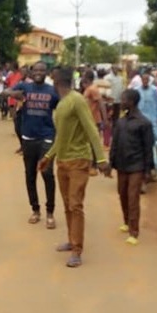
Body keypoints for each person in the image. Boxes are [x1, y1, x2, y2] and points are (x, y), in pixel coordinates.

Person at [38, 67, 111, 268]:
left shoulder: (77, 100)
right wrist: (48, 156)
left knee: (75, 204)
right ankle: (72, 240)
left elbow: (91, 129)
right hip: (62, 161)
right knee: (68, 203)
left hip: (79, 160)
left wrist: (101, 159)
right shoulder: (62, 104)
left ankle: (77, 250)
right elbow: (61, 137)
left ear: (56, 82)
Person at [3, 62, 59, 228]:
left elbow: (61, 107)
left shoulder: (52, 91)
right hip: (28, 137)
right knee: (30, 174)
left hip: (47, 137)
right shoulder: (24, 86)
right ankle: (35, 210)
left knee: (47, 173)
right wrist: (17, 94)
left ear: (46, 72)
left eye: (42, 70)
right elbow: (4, 92)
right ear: (31, 72)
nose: (38, 73)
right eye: (36, 70)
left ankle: (50, 212)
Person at [109, 89, 154, 246]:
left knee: (133, 197)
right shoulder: (121, 122)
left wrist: (148, 170)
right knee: (122, 194)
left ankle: (134, 232)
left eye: (123, 100)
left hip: (137, 165)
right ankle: (127, 221)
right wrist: (110, 163)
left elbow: (149, 147)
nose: (121, 102)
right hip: (122, 165)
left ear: (131, 102)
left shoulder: (144, 123)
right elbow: (114, 144)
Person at [136, 71, 157, 180]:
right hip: (141, 121)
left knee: (155, 142)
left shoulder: (154, 90)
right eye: (143, 79)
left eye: (147, 79)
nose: (145, 81)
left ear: (149, 80)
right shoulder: (137, 91)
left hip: (153, 121)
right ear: (141, 80)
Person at [105, 65, 125, 133]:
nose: (116, 70)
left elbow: (122, 89)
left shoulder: (120, 78)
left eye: (117, 69)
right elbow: (106, 89)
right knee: (110, 116)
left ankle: (115, 131)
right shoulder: (107, 78)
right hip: (110, 101)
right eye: (115, 68)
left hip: (118, 100)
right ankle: (108, 132)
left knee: (116, 116)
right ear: (112, 69)